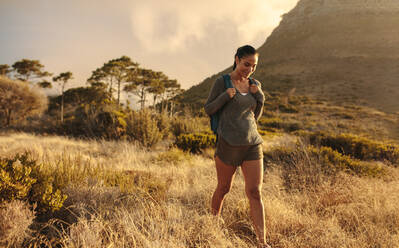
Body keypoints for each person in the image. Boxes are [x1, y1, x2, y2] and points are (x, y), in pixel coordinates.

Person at [204, 45, 269, 248]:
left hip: (252, 144)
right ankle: (212, 227)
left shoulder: (254, 84)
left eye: (253, 66)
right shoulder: (221, 82)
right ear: (236, 59)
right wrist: (226, 96)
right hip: (228, 144)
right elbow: (209, 108)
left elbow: (255, 116)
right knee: (224, 188)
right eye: (246, 64)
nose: (249, 69)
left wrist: (259, 96)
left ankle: (262, 242)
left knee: (255, 192)